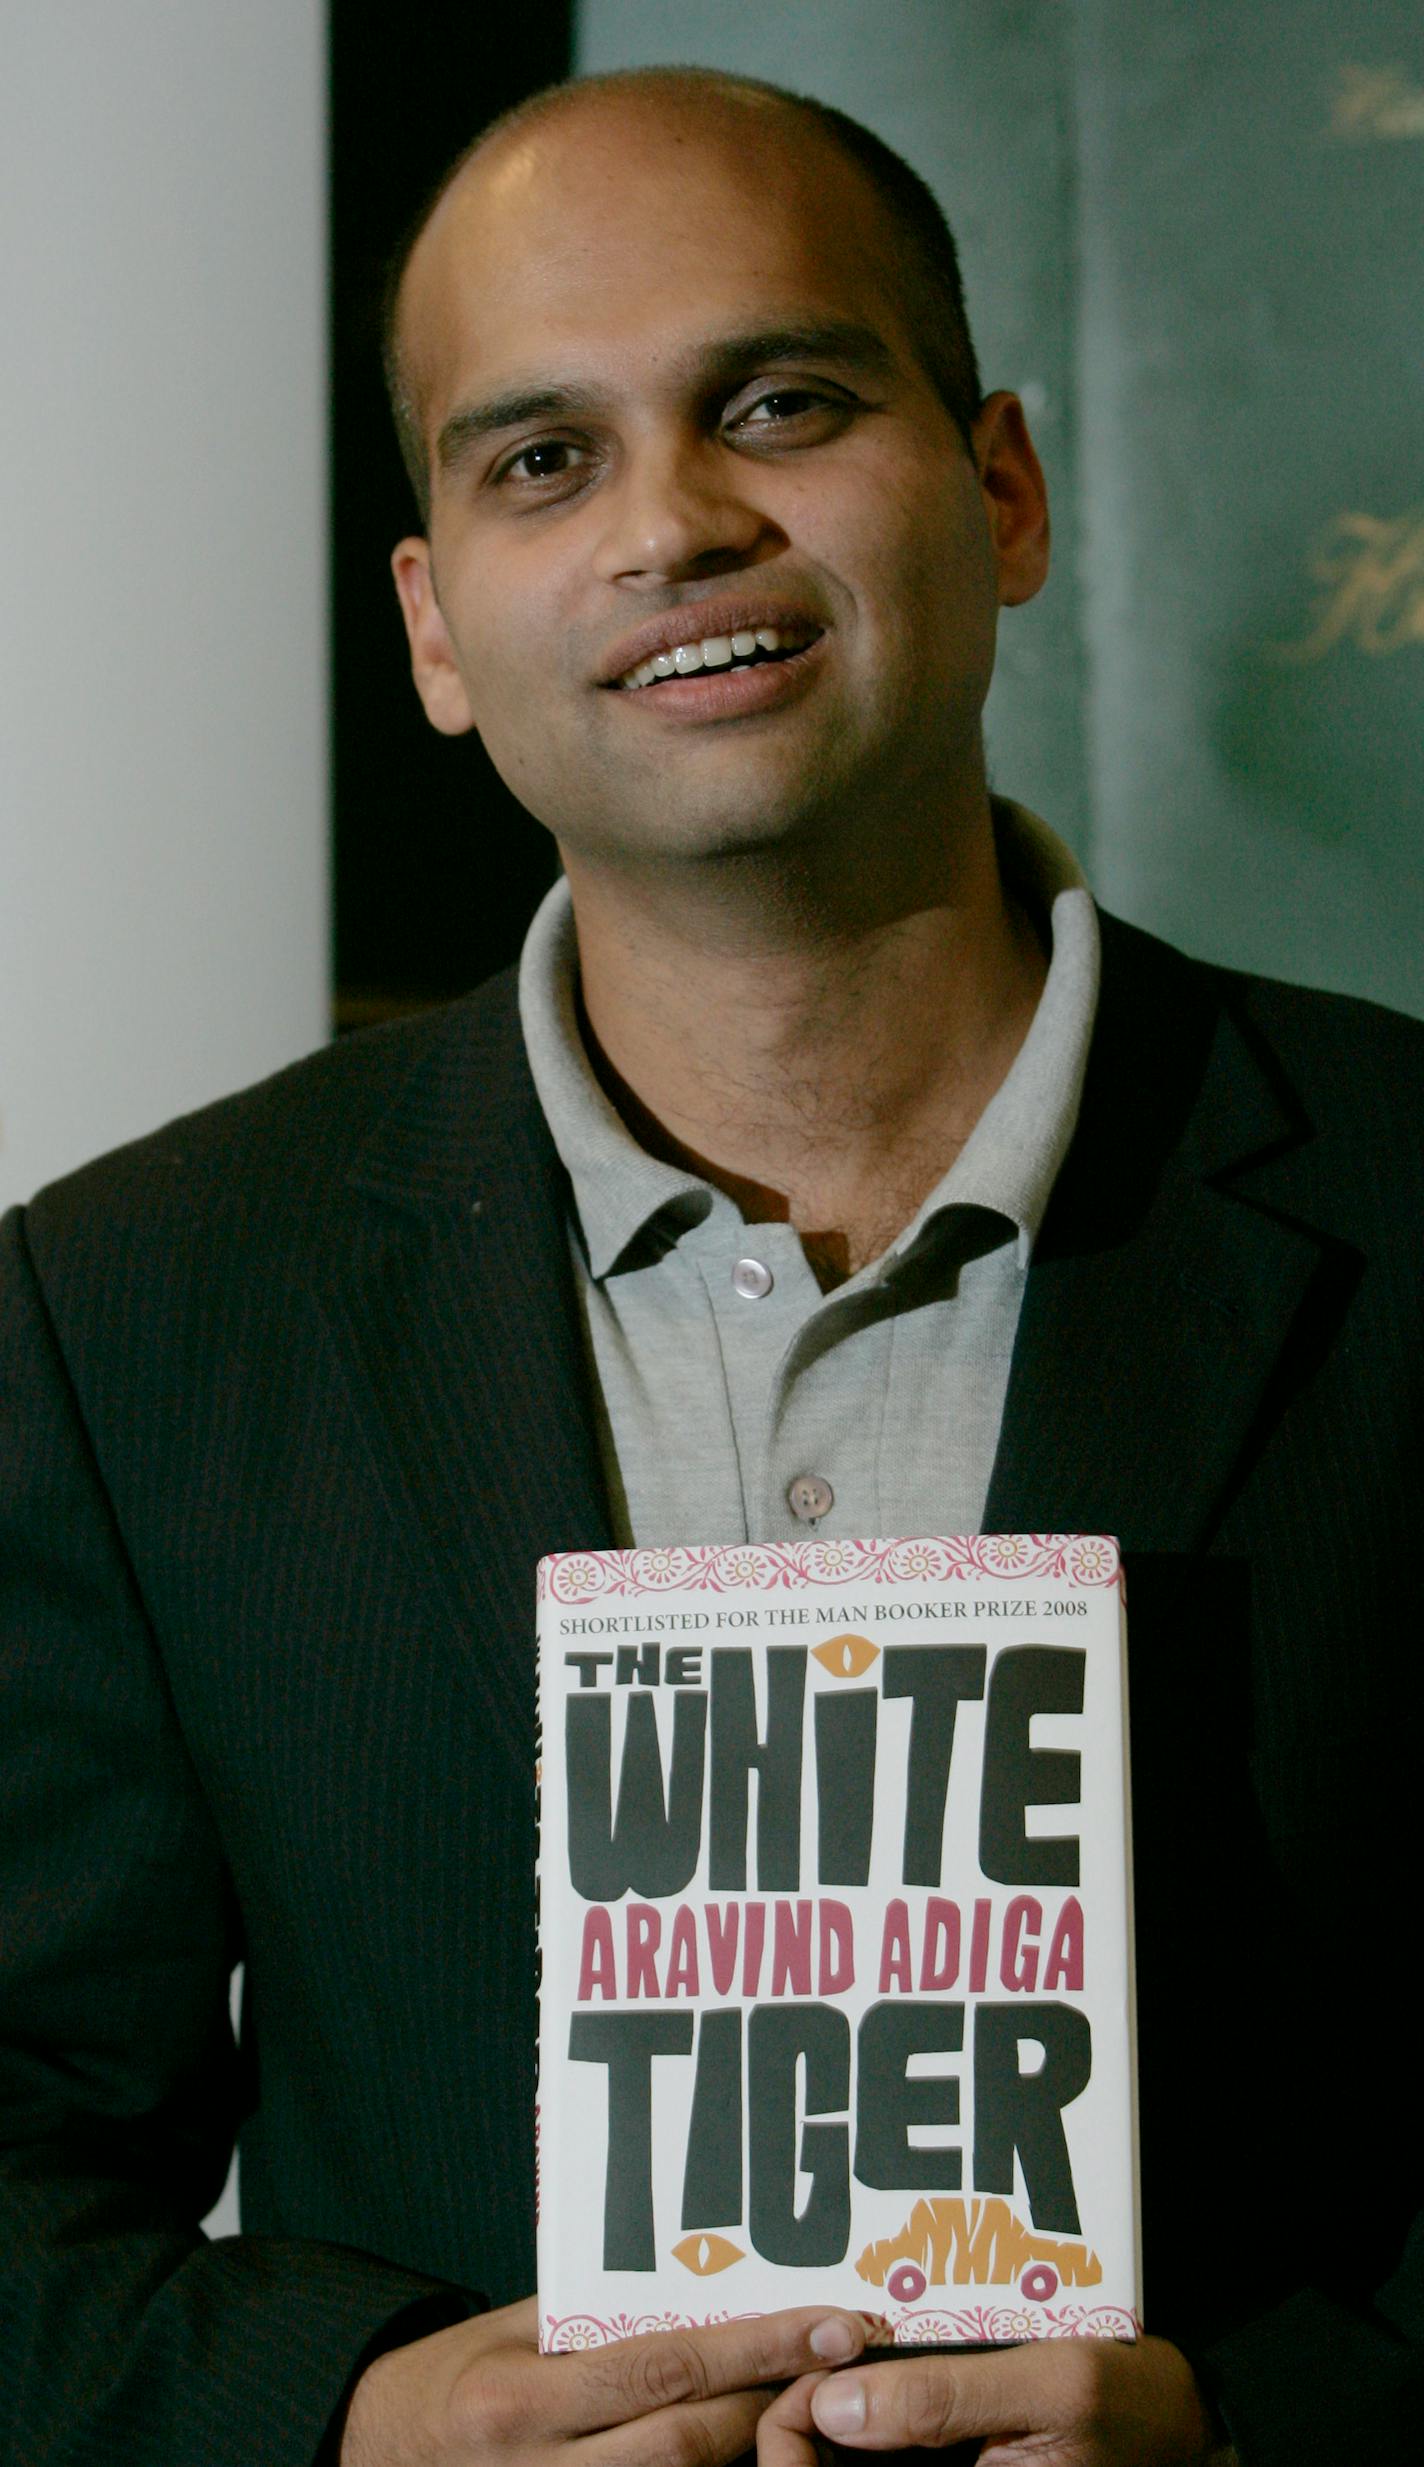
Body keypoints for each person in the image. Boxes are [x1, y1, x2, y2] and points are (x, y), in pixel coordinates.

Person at [1, 63, 1419, 2467]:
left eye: (779, 398)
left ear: (1003, 493)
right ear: (437, 630)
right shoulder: (133, 1309)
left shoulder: (1399, 1200)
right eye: (540, 458)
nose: (674, 522)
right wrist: (347, 2413)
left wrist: (1257, 2426)